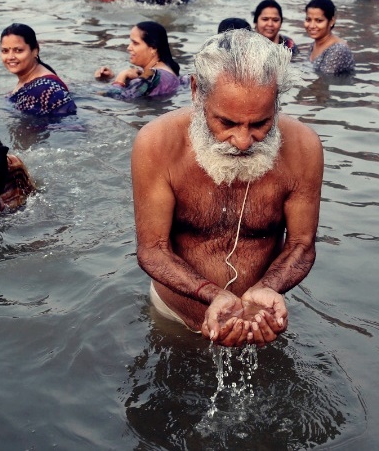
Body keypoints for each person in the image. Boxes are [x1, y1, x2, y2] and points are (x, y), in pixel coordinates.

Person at [131, 28, 322, 346]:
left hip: (261, 320)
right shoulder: (157, 144)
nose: (244, 141)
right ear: (196, 91)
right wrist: (211, 294)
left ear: (276, 101)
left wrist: (267, 288)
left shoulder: (304, 148)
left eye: (261, 123)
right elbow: (152, 249)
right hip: (175, 317)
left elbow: (301, 245)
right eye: (227, 123)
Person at [0, 23, 76, 116]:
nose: (10, 57)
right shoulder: (32, 82)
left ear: (35, 51)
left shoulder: (44, 88)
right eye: (5, 51)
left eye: (18, 50)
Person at [94, 21, 184, 99]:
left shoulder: (152, 78)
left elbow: (112, 97)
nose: (129, 48)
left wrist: (121, 76)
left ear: (153, 48)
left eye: (135, 43)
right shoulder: (164, 72)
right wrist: (111, 78)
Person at [304, 0, 354, 75]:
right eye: (308, 20)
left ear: (331, 21)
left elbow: (324, 82)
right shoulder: (315, 43)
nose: (312, 26)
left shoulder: (338, 50)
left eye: (319, 21)